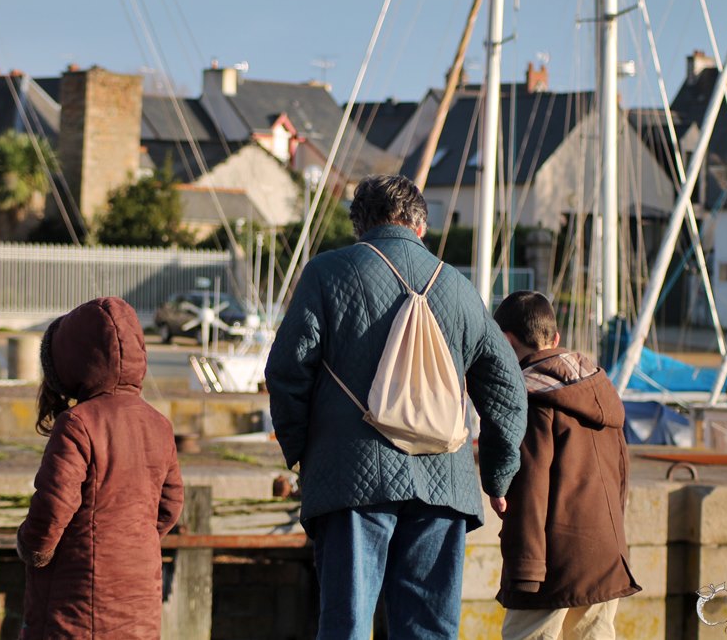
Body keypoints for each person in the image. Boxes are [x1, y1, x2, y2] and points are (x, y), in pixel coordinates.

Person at [265, 174, 528, 639]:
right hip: (444, 481)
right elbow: (507, 389)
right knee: (428, 628)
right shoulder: (460, 288)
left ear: (359, 226)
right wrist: (497, 476)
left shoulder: (328, 272)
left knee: (347, 623)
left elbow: (288, 370)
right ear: (420, 227)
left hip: (351, 477)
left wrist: (302, 449)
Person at [16, 297, 184, 639]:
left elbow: (54, 506)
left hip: (79, 595)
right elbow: (170, 506)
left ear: (72, 364)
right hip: (139, 590)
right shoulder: (159, 424)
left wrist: (33, 548)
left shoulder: (78, 423)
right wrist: (133, 539)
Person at [492, 291, 640, 640]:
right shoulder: (602, 392)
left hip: (552, 558)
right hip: (606, 552)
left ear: (506, 341)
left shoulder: (529, 400)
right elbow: (621, 477)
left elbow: (530, 490)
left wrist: (525, 571)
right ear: (555, 339)